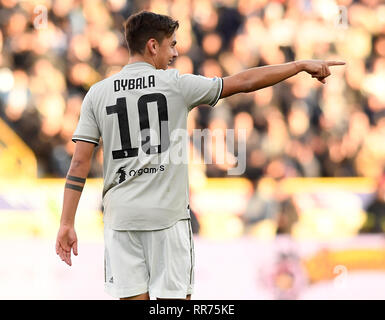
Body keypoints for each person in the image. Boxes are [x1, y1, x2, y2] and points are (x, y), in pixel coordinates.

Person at [55, 10, 345, 300]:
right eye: (171, 45)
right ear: (153, 46)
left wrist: (67, 222)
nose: (175, 52)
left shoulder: (97, 93)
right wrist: (298, 65)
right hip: (166, 219)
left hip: (121, 221)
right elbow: (243, 82)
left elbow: (79, 162)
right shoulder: (176, 85)